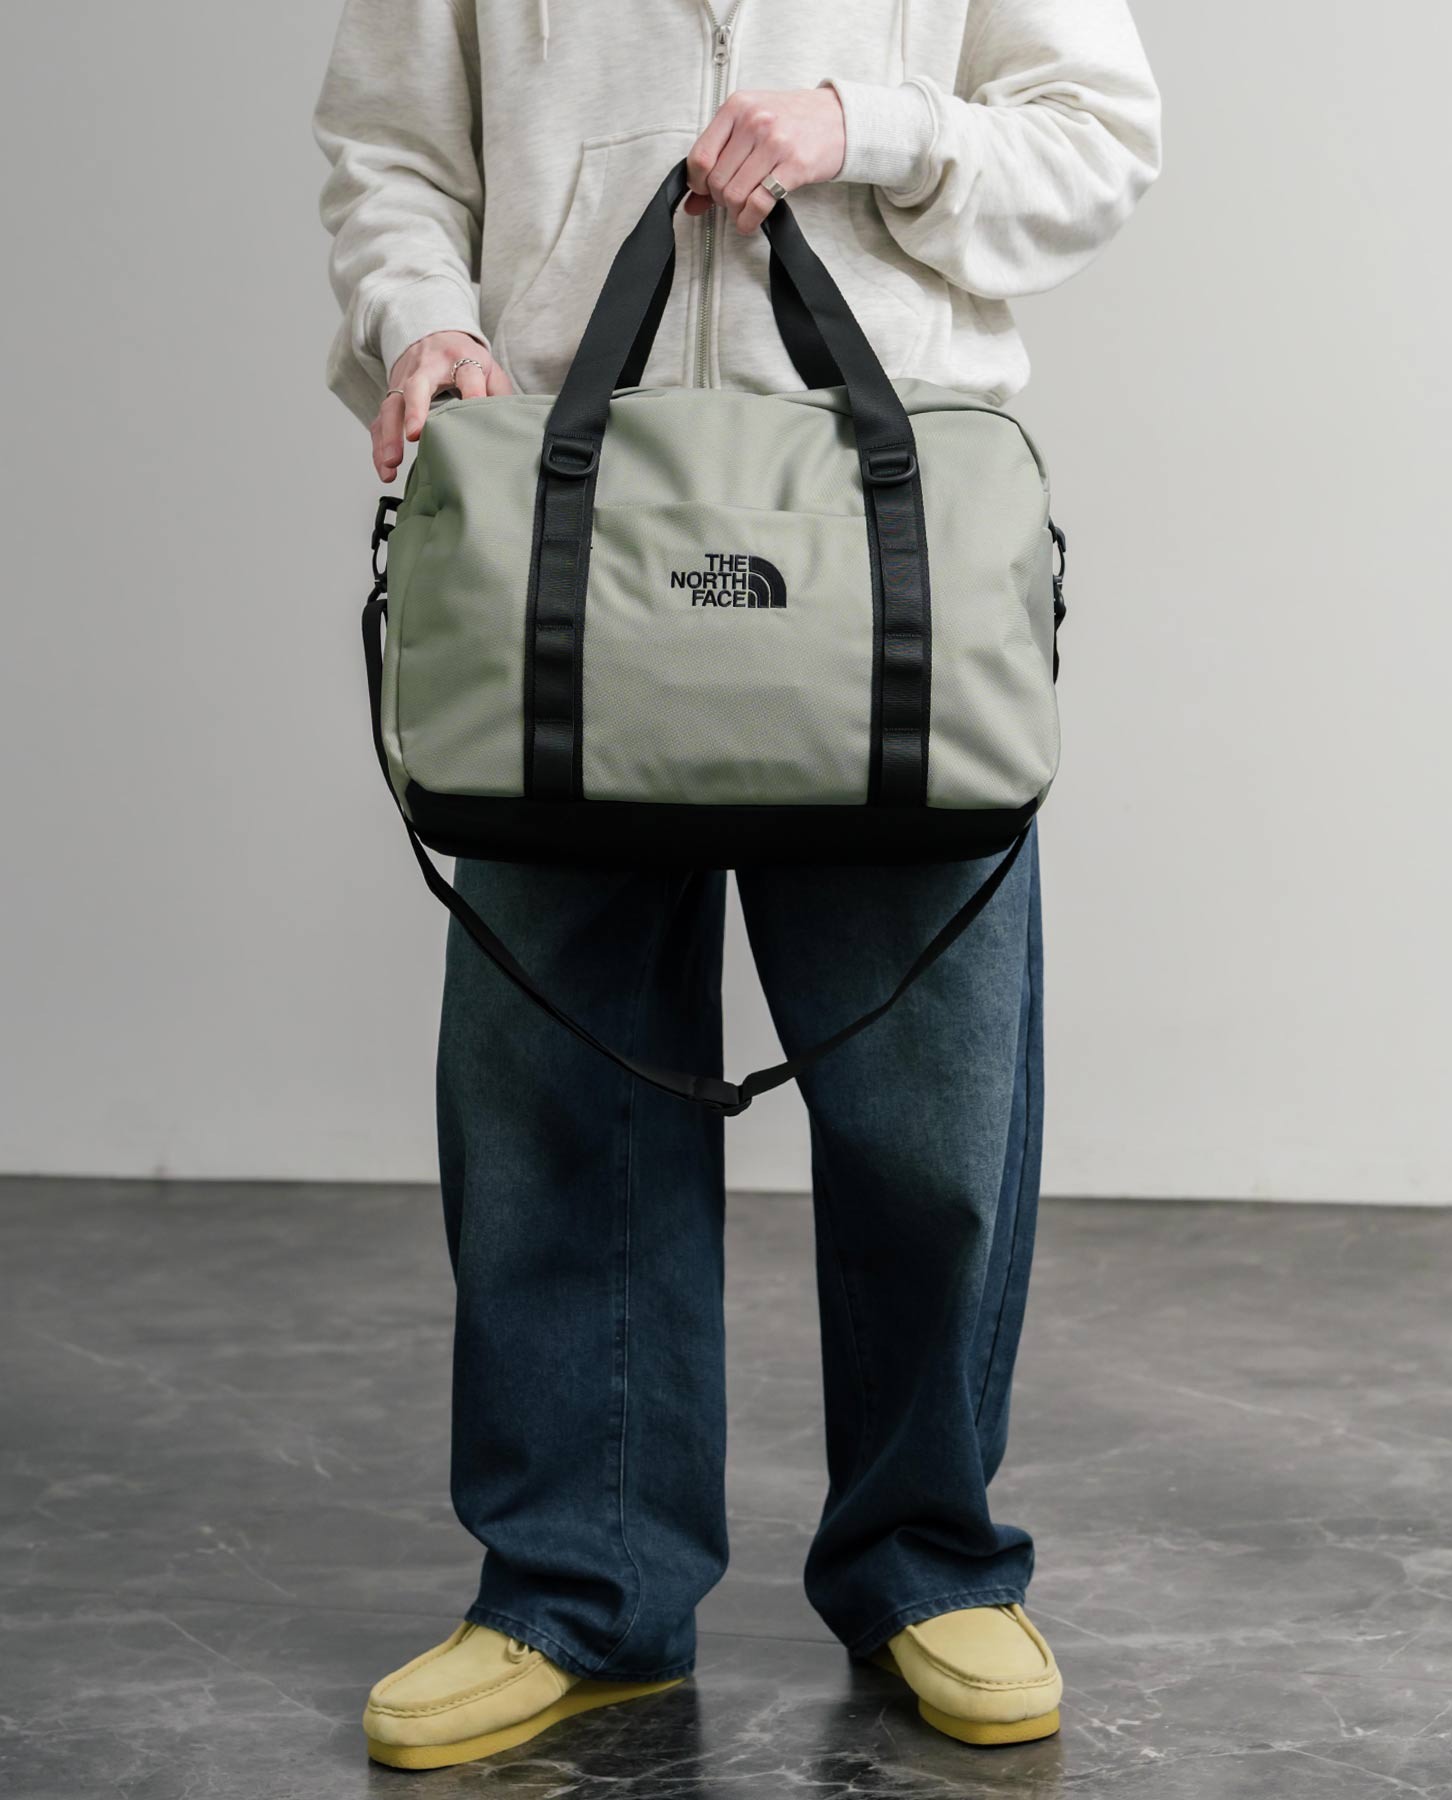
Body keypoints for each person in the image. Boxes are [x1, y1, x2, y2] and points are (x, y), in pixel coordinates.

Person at [313, 0, 1160, 1770]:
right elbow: (391, 148)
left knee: (935, 1116)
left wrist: (872, 124)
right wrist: (428, 320)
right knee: (551, 1103)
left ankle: (932, 1563)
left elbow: (1099, 138)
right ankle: (576, 1592)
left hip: (885, 532)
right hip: (567, 531)